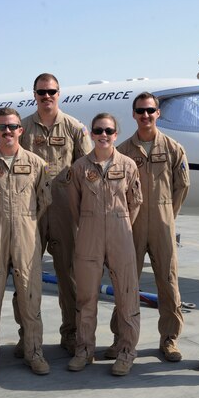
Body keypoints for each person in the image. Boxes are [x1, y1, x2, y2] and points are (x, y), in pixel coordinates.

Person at [0, 107, 52, 379]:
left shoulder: (36, 164)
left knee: (30, 296)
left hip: (27, 236)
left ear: (20, 130)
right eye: (2, 127)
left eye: (12, 126)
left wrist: (24, 222)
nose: (7, 131)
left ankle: (34, 352)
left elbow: (44, 200)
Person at [109, 91, 190, 362]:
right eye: (140, 111)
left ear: (158, 113)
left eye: (150, 110)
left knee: (167, 283)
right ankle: (121, 339)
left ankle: (169, 339)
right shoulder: (122, 152)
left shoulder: (172, 148)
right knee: (125, 284)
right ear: (133, 114)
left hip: (162, 226)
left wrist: (167, 214)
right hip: (130, 227)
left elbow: (182, 186)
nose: (145, 115)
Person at [19, 73, 92, 355]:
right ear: (34, 94)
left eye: (51, 91)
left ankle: (71, 333)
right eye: (41, 92)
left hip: (64, 212)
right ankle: (27, 333)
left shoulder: (74, 128)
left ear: (59, 93)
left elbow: (86, 170)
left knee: (68, 276)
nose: (46, 96)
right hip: (31, 213)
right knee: (25, 276)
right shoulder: (23, 128)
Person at [67, 113, 142, 376]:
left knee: (127, 296)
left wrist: (119, 223)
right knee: (86, 296)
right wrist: (92, 224)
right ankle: (84, 350)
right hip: (89, 234)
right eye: (98, 130)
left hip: (121, 233)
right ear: (91, 133)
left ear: (115, 134)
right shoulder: (79, 167)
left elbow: (135, 202)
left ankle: (126, 351)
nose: (103, 135)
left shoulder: (129, 165)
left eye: (108, 131)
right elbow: (74, 206)